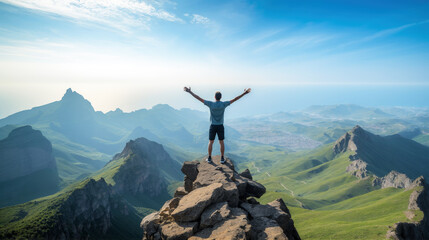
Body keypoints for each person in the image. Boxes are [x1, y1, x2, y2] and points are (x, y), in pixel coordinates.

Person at [184, 87, 251, 164]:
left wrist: (190, 92)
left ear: (214, 97)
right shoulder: (223, 104)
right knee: (221, 142)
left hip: (213, 125)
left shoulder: (211, 104)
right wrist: (245, 93)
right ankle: (222, 158)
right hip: (220, 126)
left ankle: (209, 158)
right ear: (221, 97)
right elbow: (235, 99)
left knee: (210, 142)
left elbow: (198, 98)